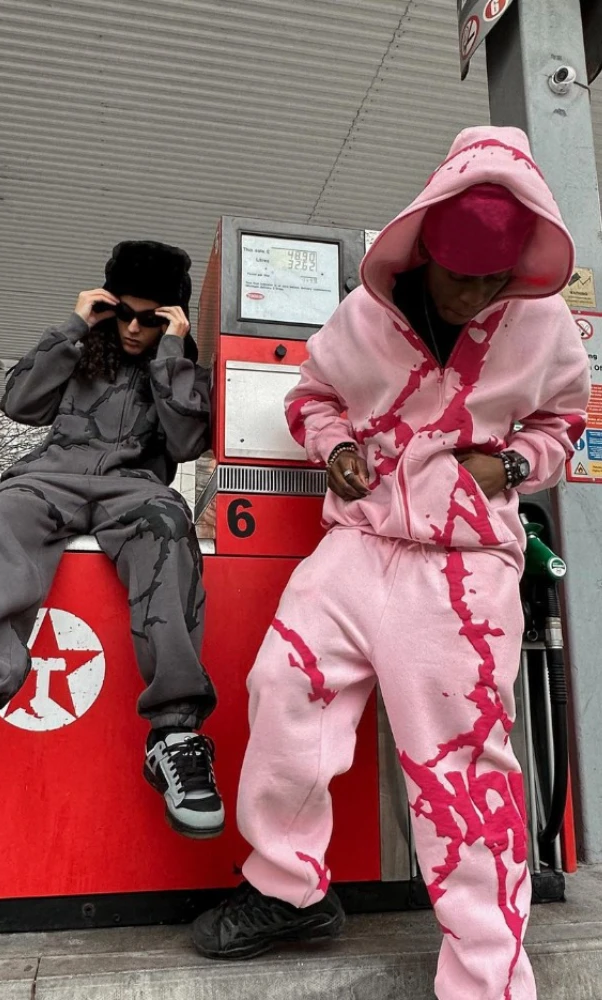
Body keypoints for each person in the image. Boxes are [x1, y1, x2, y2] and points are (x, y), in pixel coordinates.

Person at [191, 126, 590, 1000]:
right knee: (281, 689)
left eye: (495, 278)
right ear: (425, 251)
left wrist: (511, 465)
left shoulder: (545, 322)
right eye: (460, 275)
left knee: (460, 766)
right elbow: (312, 398)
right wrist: (334, 447)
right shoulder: (363, 314)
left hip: (463, 566)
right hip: (358, 542)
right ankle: (288, 890)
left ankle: (487, 981)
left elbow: (566, 423)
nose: (475, 294)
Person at [0, 240, 225, 840]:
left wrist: (171, 355)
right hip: (50, 477)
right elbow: (19, 403)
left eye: (152, 319)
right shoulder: (81, 353)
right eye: (124, 314)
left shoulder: (178, 369)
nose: (135, 328)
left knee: (168, 527)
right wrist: (74, 325)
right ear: (108, 307)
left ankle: (175, 733)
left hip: (135, 488)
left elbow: (187, 443)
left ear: (171, 320)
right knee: (6, 513)